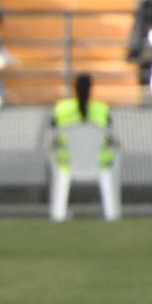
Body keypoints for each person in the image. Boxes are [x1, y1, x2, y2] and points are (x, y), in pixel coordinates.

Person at [50, 74, 120, 222]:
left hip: (66, 161)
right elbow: (111, 137)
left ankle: (58, 213)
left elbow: (53, 134)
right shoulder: (102, 108)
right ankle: (111, 212)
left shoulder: (61, 108)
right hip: (100, 162)